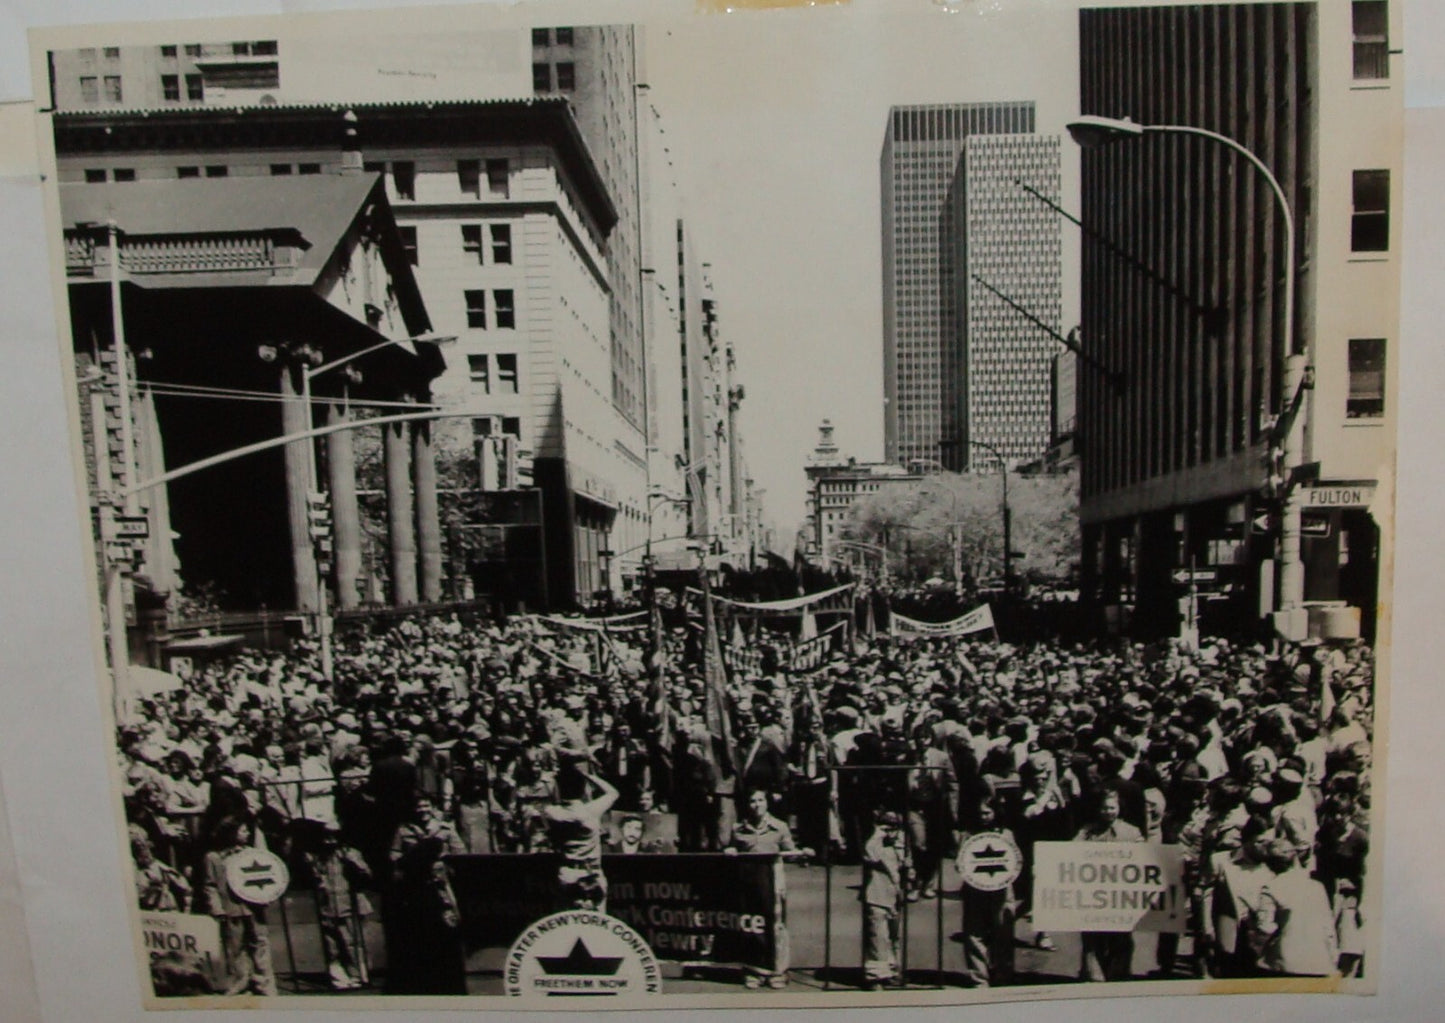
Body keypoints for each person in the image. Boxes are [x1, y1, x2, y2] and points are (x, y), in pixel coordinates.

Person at [385, 792, 468, 995]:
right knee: (419, 934)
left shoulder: (446, 828)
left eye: (426, 805)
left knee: (447, 931)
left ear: (432, 807)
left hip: (441, 889)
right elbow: (394, 857)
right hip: (415, 889)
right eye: (418, 806)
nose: (422, 810)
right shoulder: (404, 830)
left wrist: (444, 865)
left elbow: (461, 856)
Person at [727, 788, 802, 989]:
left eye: (761, 800)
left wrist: (801, 852)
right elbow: (732, 850)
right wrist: (731, 851)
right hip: (748, 886)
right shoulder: (738, 829)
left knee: (776, 928)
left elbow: (791, 852)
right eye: (753, 801)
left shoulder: (780, 827)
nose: (757, 804)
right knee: (751, 926)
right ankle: (754, 970)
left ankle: (778, 972)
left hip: (773, 886)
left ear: (767, 803)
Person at [195, 816, 276, 997]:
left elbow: (265, 877)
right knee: (235, 948)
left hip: (253, 908)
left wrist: (266, 896)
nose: (247, 833)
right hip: (231, 910)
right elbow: (210, 885)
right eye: (243, 830)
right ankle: (242, 983)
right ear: (230, 833)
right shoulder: (213, 858)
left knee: (260, 944)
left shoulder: (251, 854)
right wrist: (216, 908)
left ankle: (265, 984)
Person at [1074, 790, 1142, 982]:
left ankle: (1118, 973)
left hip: (1121, 897)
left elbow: (1144, 857)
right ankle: (1093, 974)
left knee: (1121, 937)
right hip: (1093, 895)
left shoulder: (1132, 832)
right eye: (1104, 808)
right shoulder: (1087, 831)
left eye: (1112, 807)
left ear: (1119, 809)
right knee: (1092, 936)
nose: (1108, 812)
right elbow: (1069, 852)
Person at [299, 820, 372, 991]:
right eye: (326, 837)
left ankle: (358, 974)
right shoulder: (319, 857)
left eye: (334, 836)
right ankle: (338, 976)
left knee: (352, 942)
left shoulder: (351, 853)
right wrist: (311, 868)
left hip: (350, 904)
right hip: (328, 905)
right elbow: (314, 879)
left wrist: (355, 864)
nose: (330, 841)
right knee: (332, 946)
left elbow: (367, 875)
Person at [542, 752, 619, 912]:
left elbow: (550, 801)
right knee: (596, 926)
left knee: (566, 923)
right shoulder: (590, 810)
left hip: (568, 871)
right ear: (583, 788)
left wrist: (556, 780)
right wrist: (587, 775)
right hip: (593, 871)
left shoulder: (552, 812)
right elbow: (613, 793)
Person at [957, 788, 1017, 988]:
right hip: (975, 891)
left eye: (987, 813)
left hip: (1002, 891)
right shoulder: (968, 835)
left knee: (1003, 933)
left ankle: (1003, 974)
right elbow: (960, 861)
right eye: (980, 813)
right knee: (974, 934)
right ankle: (979, 978)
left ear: (995, 813)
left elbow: (1016, 860)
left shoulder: (1006, 834)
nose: (983, 817)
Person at [860, 810, 907, 991]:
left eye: (894, 826)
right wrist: (878, 835)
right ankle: (875, 976)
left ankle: (892, 970)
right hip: (876, 895)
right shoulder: (873, 842)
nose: (890, 831)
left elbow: (906, 863)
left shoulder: (900, 844)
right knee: (877, 938)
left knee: (894, 937)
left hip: (895, 896)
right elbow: (870, 855)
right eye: (886, 826)